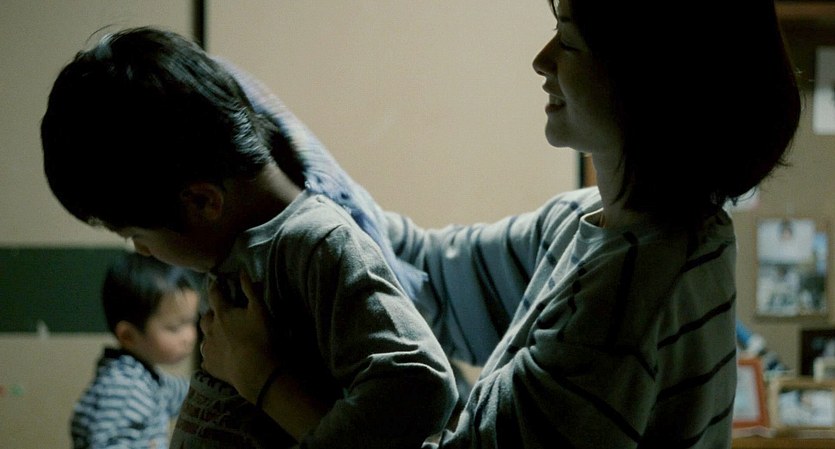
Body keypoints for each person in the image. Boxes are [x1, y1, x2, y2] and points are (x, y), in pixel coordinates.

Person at [202, 1, 802, 448]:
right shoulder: (612, 226)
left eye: (569, 39)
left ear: (646, 77)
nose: (542, 60)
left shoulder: (620, 305)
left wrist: (263, 379)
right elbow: (428, 275)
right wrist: (299, 159)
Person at [41, 27, 458, 449]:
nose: (143, 251)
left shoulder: (316, 244)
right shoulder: (234, 246)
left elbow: (419, 384)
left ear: (202, 201)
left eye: (137, 235)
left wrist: (264, 379)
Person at [70, 251, 200, 449]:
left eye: (192, 322)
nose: (189, 337)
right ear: (129, 336)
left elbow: (187, 394)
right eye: (174, 327)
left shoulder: (144, 376)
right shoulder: (125, 388)